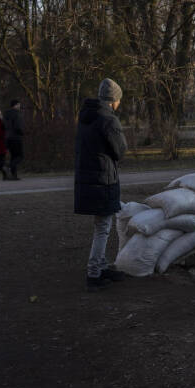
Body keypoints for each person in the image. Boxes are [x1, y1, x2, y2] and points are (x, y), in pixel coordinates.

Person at [74, 78, 128, 292]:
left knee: (101, 224)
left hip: (89, 178)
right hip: (103, 179)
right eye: (119, 100)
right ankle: (94, 272)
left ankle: (103, 266)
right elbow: (120, 150)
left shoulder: (86, 116)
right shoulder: (109, 119)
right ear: (114, 100)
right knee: (103, 227)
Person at [3, 99, 25, 180]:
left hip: (8, 138)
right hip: (16, 137)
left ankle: (13, 175)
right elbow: (18, 126)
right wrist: (22, 132)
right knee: (20, 156)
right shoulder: (17, 114)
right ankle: (8, 166)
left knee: (13, 156)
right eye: (19, 104)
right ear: (15, 105)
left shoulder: (5, 114)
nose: (20, 106)